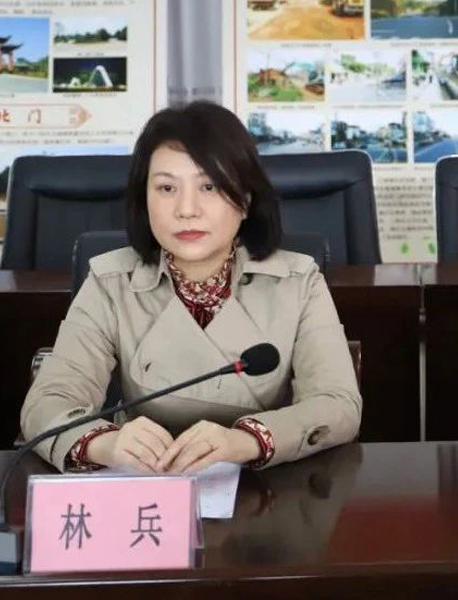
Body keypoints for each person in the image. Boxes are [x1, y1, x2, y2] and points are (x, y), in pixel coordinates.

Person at [21, 101, 362, 473]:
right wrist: (105, 444)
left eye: (209, 186)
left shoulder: (298, 280)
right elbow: (47, 403)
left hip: (265, 485)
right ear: (144, 199)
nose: (186, 209)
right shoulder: (110, 281)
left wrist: (244, 441)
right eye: (167, 187)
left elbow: (337, 404)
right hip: (144, 481)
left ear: (245, 200)